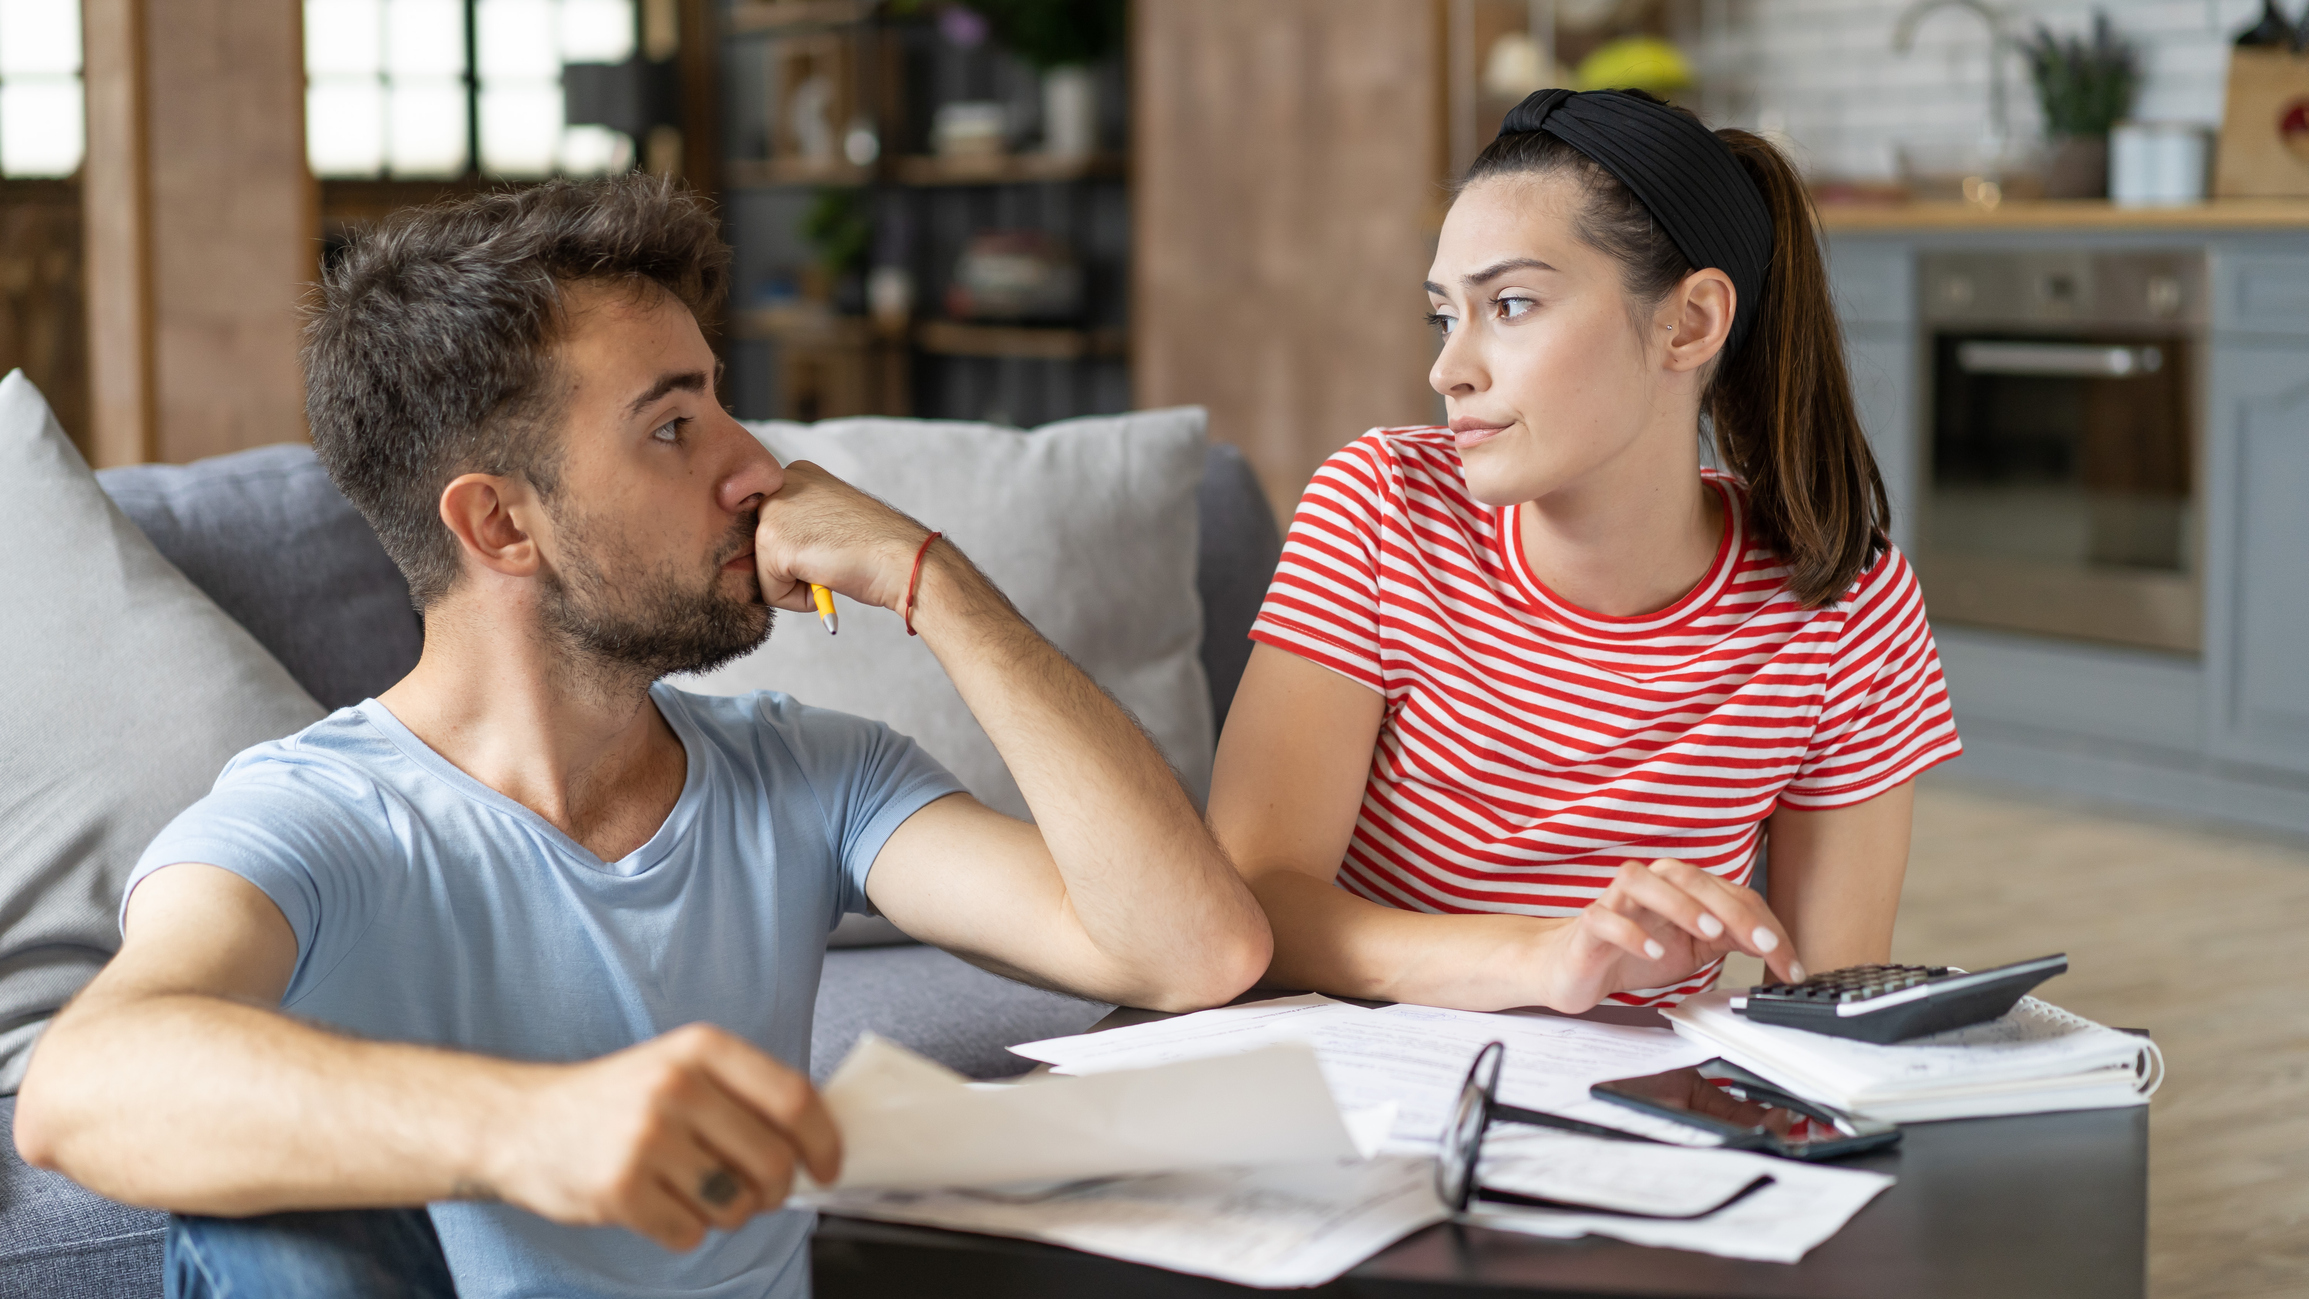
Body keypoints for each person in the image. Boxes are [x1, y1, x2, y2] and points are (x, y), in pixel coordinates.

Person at [12, 175, 1271, 1298]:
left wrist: (930, 581)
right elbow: (88, 1089)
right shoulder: (318, 820)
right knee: (273, 1232)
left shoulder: (812, 775)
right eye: (673, 428)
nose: (756, 469)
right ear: (501, 527)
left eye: (721, 403)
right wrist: (535, 1127)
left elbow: (1189, 949)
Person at [1208, 89, 1961, 1016]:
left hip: (1638, 1124)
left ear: (1687, 322)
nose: (1449, 369)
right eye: (1445, 315)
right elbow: (1252, 907)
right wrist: (1544, 959)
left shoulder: (1848, 601)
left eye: (1511, 304)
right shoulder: (1381, 508)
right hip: (1373, 1087)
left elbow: (1822, 1001)